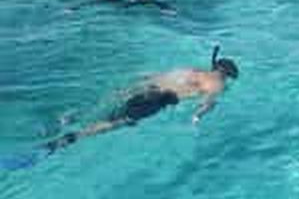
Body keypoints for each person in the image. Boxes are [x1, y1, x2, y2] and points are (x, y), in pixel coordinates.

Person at [44, 45, 239, 154]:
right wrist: (197, 116)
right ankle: (70, 138)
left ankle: (71, 118)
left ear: (214, 65)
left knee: (109, 106)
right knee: (118, 122)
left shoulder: (192, 70)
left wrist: (133, 87)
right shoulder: (217, 83)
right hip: (157, 99)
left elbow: (157, 77)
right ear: (226, 75)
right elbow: (209, 102)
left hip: (146, 87)